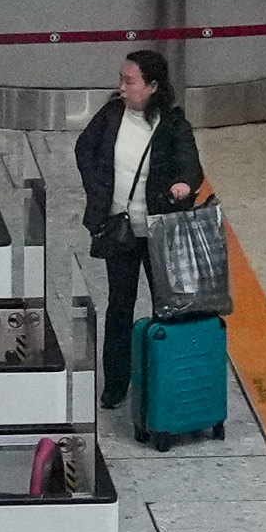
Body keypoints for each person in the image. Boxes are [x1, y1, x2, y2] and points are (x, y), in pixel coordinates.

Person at [71, 51, 205, 379]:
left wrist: (183, 185)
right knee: (119, 304)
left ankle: (163, 375)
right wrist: (98, 191)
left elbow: (191, 167)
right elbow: (84, 149)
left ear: (152, 86)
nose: (122, 87)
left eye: (130, 81)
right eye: (122, 79)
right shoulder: (111, 115)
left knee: (167, 306)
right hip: (121, 230)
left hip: (159, 231)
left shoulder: (172, 125)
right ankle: (116, 381)